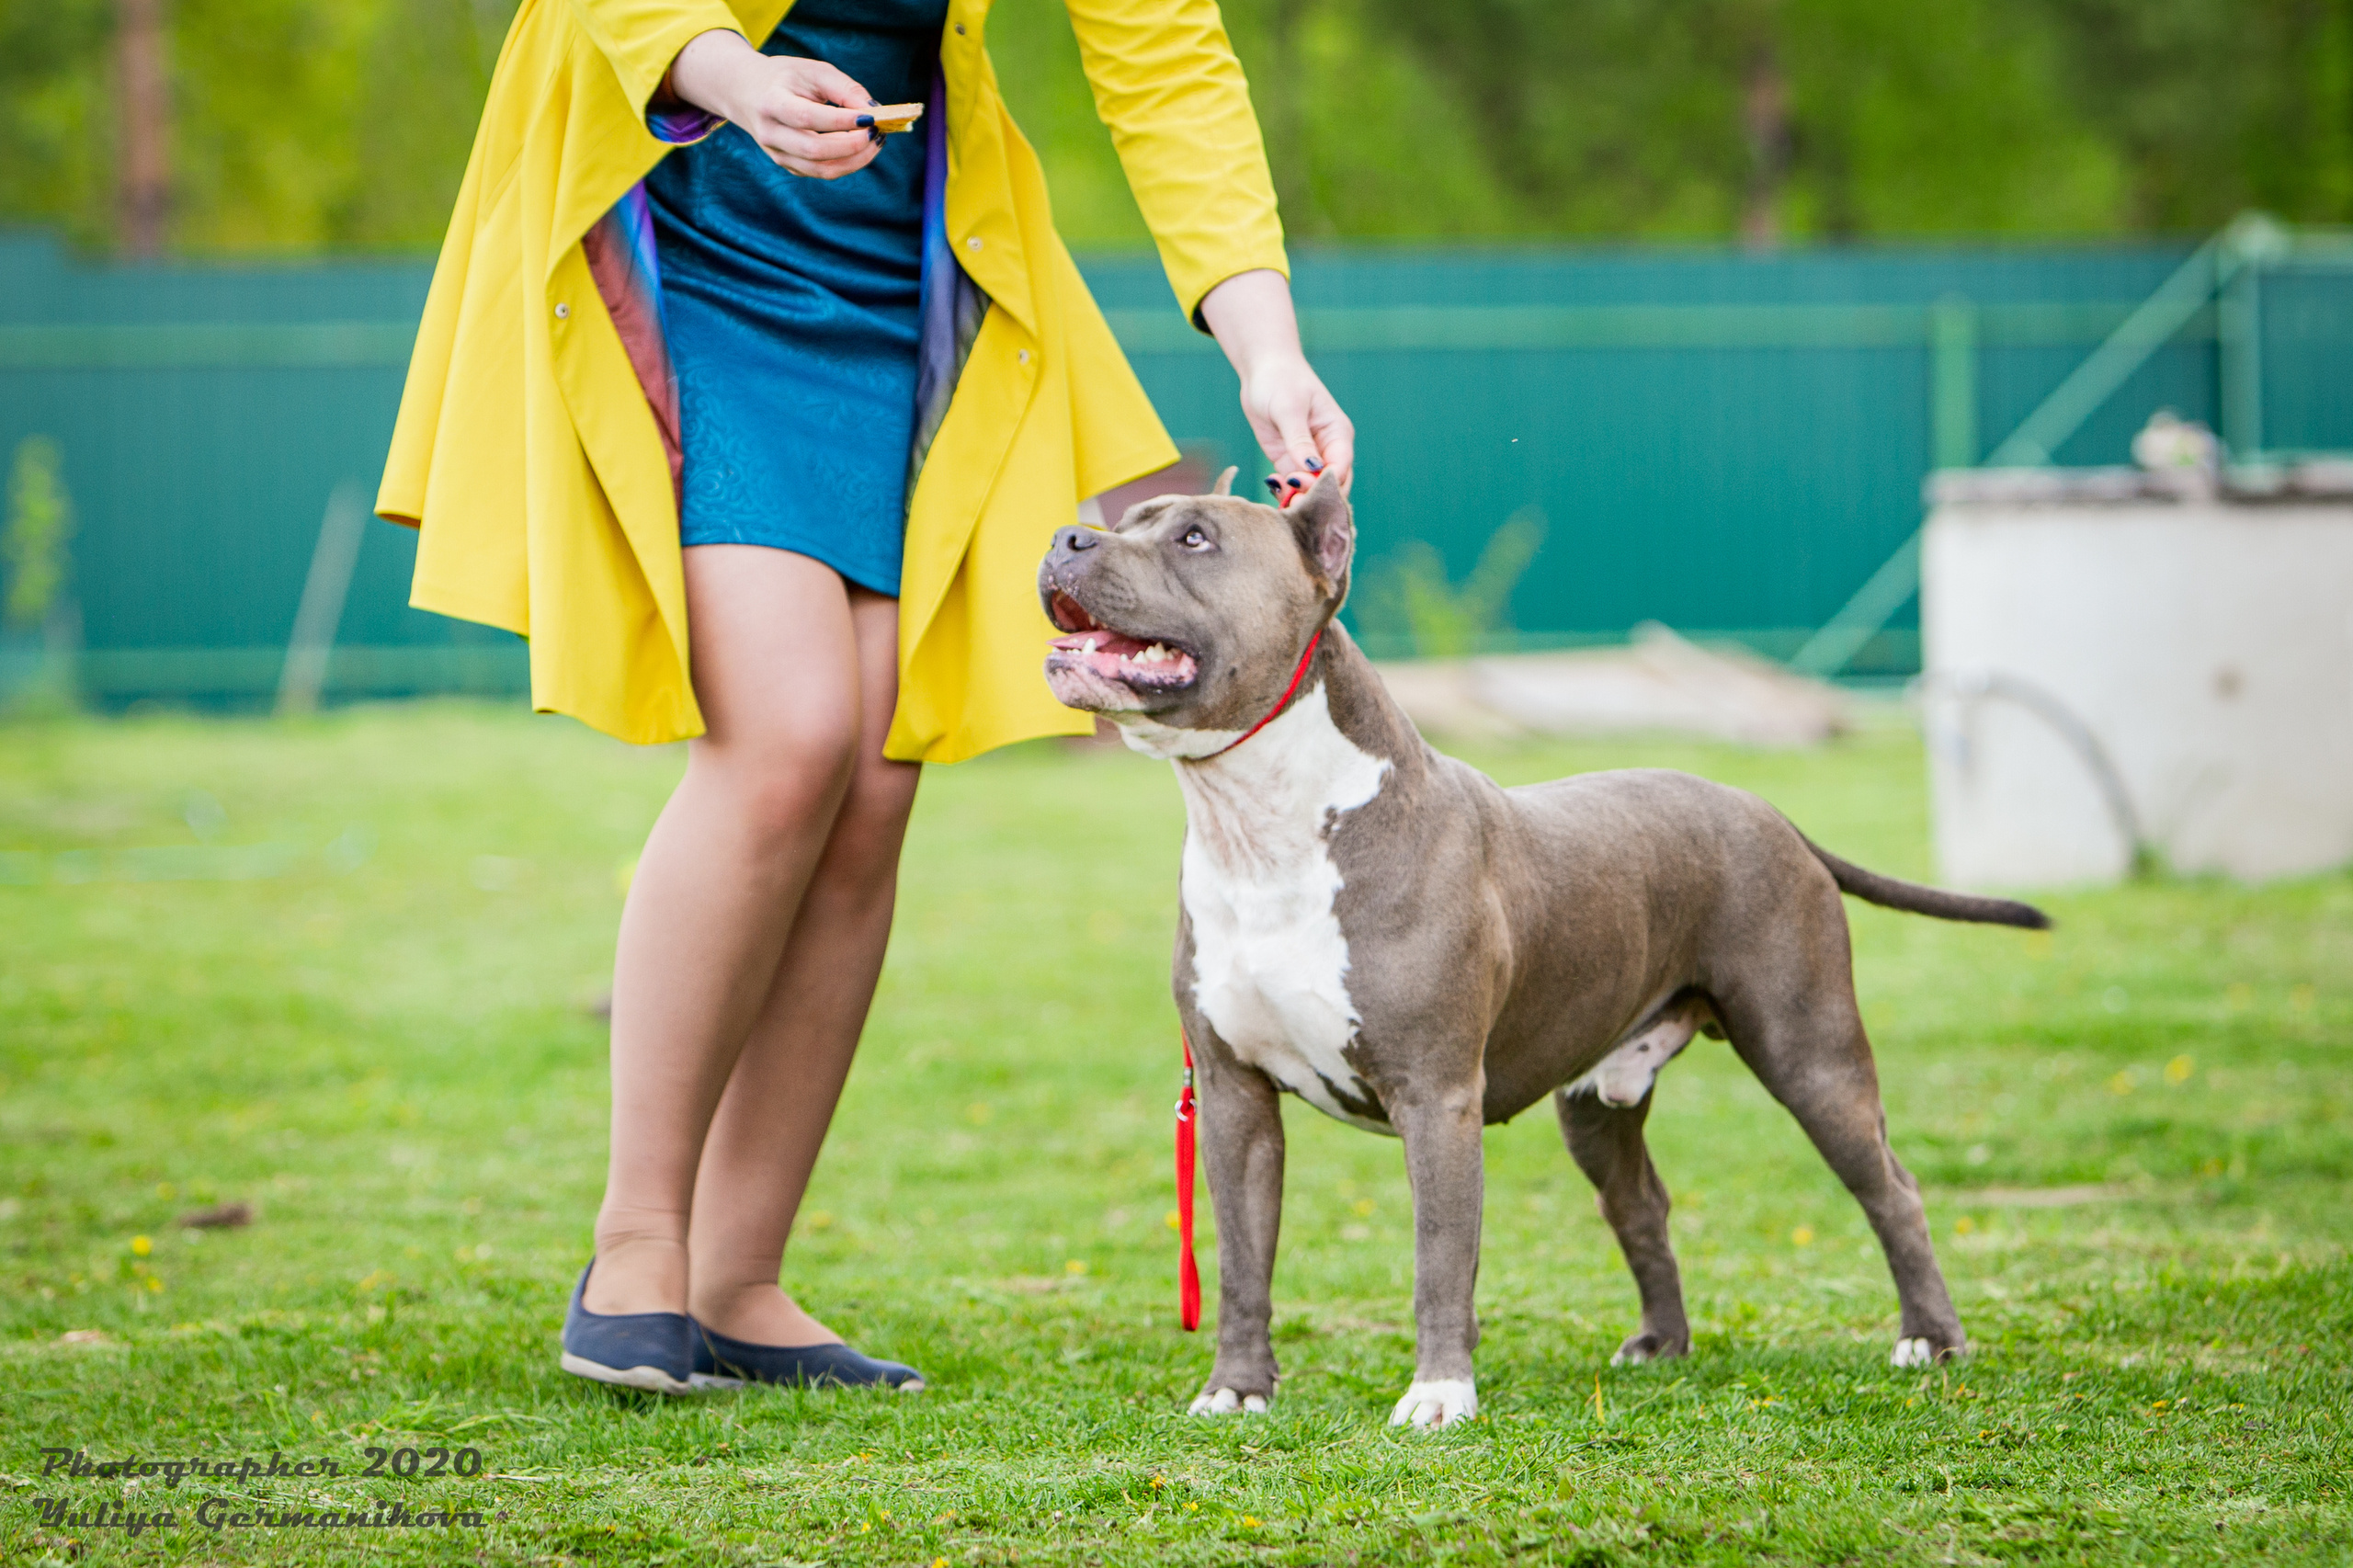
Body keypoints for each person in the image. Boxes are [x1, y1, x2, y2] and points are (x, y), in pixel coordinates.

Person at [377, 0, 1354, 1394]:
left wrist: (1267, 348)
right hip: (688, 219)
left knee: (879, 767)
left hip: (896, 263)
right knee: (789, 733)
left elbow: (1166, 58)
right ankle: (637, 1242)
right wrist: (731, 76)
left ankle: (737, 1275)